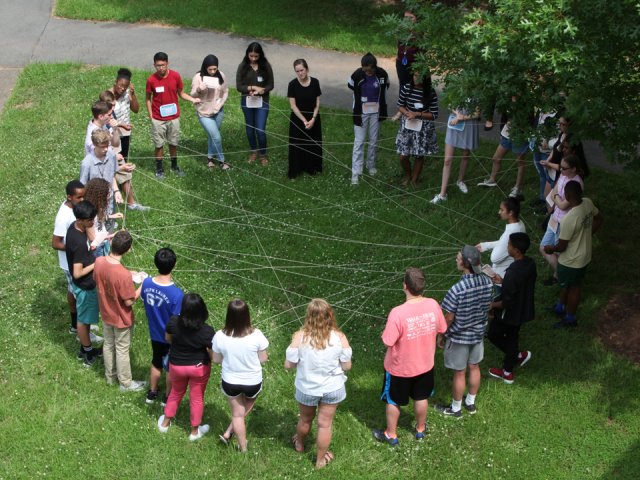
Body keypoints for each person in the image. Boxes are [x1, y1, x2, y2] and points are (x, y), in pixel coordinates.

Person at [372, 268, 447, 446]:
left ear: (405, 286)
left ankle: (391, 434)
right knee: (422, 397)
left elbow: (387, 341)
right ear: (423, 287)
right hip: (425, 365)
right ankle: (420, 429)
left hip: (399, 369)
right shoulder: (433, 305)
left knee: (393, 401)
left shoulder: (398, 313)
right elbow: (442, 329)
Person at [285, 299, 352, 469]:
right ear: (330, 315)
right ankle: (320, 461)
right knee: (325, 424)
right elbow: (347, 366)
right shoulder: (340, 337)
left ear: (309, 316)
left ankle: (299, 444)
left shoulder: (299, 337)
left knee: (305, 420)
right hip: (333, 388)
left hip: (307, 388)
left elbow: (288, 365)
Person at [435, 246, 493, 417]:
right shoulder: (487, 282)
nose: (456, 259)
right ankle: (470, 403)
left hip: (459, 337)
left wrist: (441, 335)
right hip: (477, 335)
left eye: (458, 257)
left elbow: (448, 317)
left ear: (465, 263)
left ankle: (455, 408)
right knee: (475, 367)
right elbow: (489, 306)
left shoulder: (457, 290)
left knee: (460, 372)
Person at [93, 230, 147, 392]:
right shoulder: (122, 275)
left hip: (106, 312)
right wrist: (142, 286)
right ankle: (125, 383)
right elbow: (129, 301)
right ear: (128, 249)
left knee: (108, 344)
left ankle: (110, 377)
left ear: (111, 243)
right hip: (121, 317)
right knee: (122, 349)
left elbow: (105, 276)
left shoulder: (99, 261)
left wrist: (129, 274)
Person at [544, 181, 603, 328]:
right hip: (584, 255)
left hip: (571, 260)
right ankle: (560, 307)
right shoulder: (588, 203)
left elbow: (562, 246)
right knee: (566, 284)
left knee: (574, 288)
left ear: (568, 196)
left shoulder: (569, 219)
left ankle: (570, 319)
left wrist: (550, 249)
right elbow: (599, 218)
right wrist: (589, 234)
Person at [212, 299, 269, 452]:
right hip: (253, 382)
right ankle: (229, 431)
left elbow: (216, 360)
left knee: (238, 415)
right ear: (247, 316)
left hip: (230, 382)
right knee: (244, 409)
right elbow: (263, 359)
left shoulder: (219, 336)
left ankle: (242, 446)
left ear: (228, 316)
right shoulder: (257, 335)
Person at [158, 293, 214, 441]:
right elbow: (213, 356)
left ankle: (165, 423)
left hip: (176, 365)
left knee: (176, 393)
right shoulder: (207, 331)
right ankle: (194, 432)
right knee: (196, 398)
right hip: (198, 368)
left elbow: (167, 339)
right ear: (202, 310)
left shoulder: (173, 322)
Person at [487, 232, 536, 384]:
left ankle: (511, 365)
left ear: (516, 250)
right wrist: (503, 281)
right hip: (523, 309)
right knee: (513, 336)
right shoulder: (530, 264)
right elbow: (519, 287)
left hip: (510, 313)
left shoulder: (513, 272)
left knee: (493, 334)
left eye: (509, 245)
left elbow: (506, 303)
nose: (507, 247)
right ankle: (511, 365)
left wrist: (491, 305)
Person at [145, 51, 201, 178]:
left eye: (163, 65)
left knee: (173, 143)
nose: (161, 68)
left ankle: (174, 166)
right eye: (158, 65)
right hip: (158, 118)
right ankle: (159, 169)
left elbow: (181, 94)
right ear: (154, 65)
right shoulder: (151, 80)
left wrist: (193, 99)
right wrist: (151, 115)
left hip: (173, 118)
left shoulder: (175, 76)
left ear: (167, 63)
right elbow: (148, 99)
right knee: (159, 145)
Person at [142, 248, 184, 405]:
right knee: (170, 368)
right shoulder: (177, 294)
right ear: (174, 265)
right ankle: (167, 397)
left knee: (156, 362)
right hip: (169, 337)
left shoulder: (146, 283)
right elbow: (176, 319)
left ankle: (152, 393)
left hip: (154, 333)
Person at [65, 200, 103, 367]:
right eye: (89, 220)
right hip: (84, 285)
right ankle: (87, 352)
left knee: (85, 318)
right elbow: (77, 272)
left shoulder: (74, 227)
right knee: (83, 320)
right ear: (80, 219)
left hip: (82, 285)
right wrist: (97, 264)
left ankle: (84, 347)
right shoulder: (79, 243)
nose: (92, 222)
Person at [539, 154, 585, 286]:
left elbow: (564, 205)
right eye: (561, 167)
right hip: (554, 218)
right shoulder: (563, 175)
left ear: (574, 169)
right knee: (543, 247)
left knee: (559, 251)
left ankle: (559, 276)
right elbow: (553, 193)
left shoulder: (576, 184)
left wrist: (557, 198)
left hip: (564, 222)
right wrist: (558, 198)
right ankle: (560, 273)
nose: (561, 170)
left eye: (564, 168)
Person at [107, 68, 148, 210]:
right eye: (120, 86)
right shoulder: (108, 96)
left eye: (125, 87)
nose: (122, 89)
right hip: (113, 135)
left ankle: (118, 186)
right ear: (115, 82)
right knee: (118, 163)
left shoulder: (127, 93)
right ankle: (127, 199)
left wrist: (132, 94)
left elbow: (136, 109)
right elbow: (105, 115)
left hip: (124, 134)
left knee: (122, 160)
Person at [347, 53, 389, 185]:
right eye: (364, 68)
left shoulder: (382, 74)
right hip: (361, 113)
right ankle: (356, 172)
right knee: (359, 142)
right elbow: (350, 85)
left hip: (376, 112)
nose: (366, 71)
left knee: (374, 140)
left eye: (368, 68)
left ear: (374, 66)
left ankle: (371, 165)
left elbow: (386, 86)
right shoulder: (357, 75)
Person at [52, 180, 86, 335]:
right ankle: (82, 330)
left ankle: (75, 325)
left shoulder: (73, 208)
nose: (82, 200)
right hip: (70, 263)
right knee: (80, 295)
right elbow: (55, 243)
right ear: (69, 197)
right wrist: (75, 247)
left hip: (76, 260)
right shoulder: (63, 217)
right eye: (79, 197)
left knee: (72, 290)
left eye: (83, 196)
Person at [395, 73, 438, 186]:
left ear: (425, 78)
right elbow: (400, 105)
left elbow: (434, 114)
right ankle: (408, 175)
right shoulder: (407, 88)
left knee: (419, 155)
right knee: (403, 156)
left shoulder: (430, 92)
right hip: (408, 125)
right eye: (414, 75)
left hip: (423, 127)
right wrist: (407, 113)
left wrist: (417, 114)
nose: (416, 78)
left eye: (419, 76)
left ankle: (414, 179)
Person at [431, 105, 481, 203]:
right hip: (455, 122)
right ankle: (442, 194)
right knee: (447, 160)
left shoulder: (478, 91)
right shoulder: (454, 89)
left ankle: (460, 181)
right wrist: (458, 115)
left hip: (469, 124)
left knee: (465, 155)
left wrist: (462, 117)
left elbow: (478, 113)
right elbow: (449, 104)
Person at [236, 42, 274, 166]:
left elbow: (271, 84)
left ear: (260, 55)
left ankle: (262, 154)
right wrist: (252, 87)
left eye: (255, 56)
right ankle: (253, 151)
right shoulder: (243, 66)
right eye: (251, 56)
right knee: (250, 129)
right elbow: (239, 86)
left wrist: (263, 90)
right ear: (247, 54)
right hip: (247, 101)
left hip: (262, 101)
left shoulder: (266, 65)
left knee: (260, 130)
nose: (253, 59)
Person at [191, 54, 230, 170]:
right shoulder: (198, 77)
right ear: (205, 67)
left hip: (218, 111)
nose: (213, 71)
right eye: (210, 69)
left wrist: (220, 105)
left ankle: (209, 158)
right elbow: (192, 95)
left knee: (212, 135)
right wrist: (199, 89)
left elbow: (225, 92)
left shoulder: (221, 75)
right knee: (216, 137)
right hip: (204, 113)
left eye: (215, 69)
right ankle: (222, 161)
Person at [287, 59, 323, 179]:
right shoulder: (292, 84)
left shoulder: (315, 82)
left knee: (313, 143)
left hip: (313, 118)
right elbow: (293, 105)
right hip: (298, 119)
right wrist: (304, 121)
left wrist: (313, 118)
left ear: (307, 69)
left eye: (302, 70)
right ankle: (298, 169)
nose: (300, 73)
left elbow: (317, 103)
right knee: (298, 145)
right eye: (297, 71)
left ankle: (312, 168)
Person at [477, 118, 529, 199]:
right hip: (507, 132)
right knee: (496, 158)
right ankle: (492, 180)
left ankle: (518, 187)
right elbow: (504, 115)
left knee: (520, 162)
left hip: (520, 134)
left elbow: (530, 120)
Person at [476, 197, 526, 278]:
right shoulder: (520, 224)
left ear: (511, 213)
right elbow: (503, 243)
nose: (499, 212)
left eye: (502, 210)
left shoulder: (510, 233)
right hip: (513, 269)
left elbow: (494, 258)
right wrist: (485, 246)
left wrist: (489, 247)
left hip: (503, 275)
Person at [83, 178, 122, 257]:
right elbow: (93, 239)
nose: (108, 197)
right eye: (106, 194)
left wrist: (111, 216)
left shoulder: (97, 207)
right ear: (99, 196)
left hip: (103, 242)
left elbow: (99, 218)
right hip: (96, 248)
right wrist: (112, 236)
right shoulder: (88, 214)